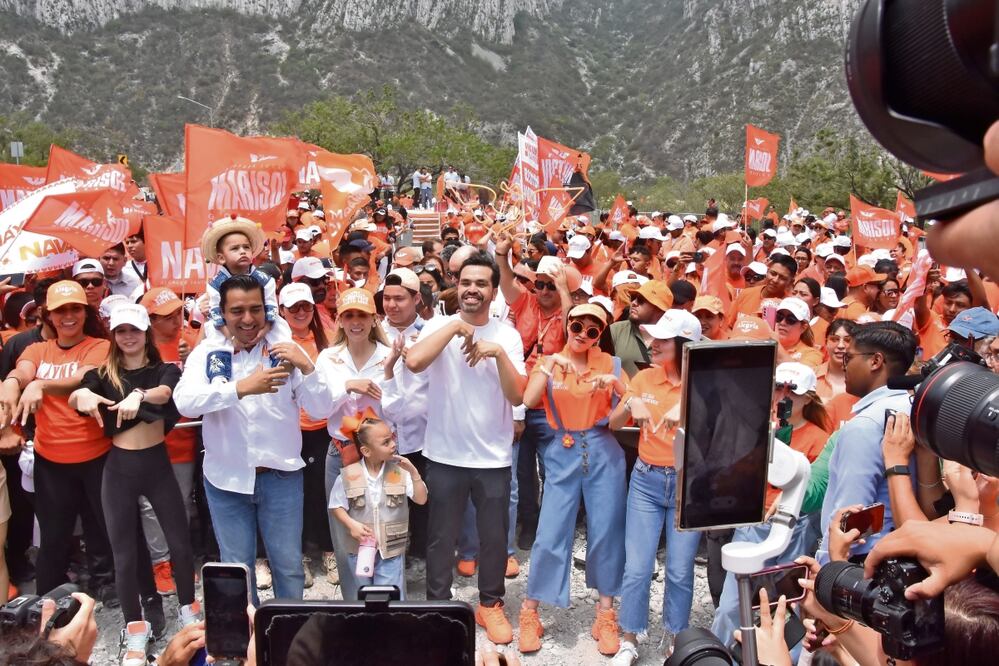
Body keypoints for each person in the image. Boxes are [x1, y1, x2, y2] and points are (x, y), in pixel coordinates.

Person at [173, 274, 334, 603]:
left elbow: (321, 408)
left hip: (281, 479)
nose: (247, 319)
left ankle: (289, 638)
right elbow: (184, 402)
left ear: (267, 310)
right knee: (237, 569)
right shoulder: (208, 352)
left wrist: (307, 365)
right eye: (237, 310)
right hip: (225, 482)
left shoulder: (285, 352)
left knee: (288, 565)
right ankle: (249, 643)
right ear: (223, 312)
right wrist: (240, 388)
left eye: (255, 309)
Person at [405, 251, 526, 644]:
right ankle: (438, 607)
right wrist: (455, 327)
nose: (472, 289)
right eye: (466, 282)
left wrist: (498, 354)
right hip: (443, 452)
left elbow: (517, 393)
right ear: (457, 286)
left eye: (481, 284)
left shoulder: (507, 334)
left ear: (493, 291)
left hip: (492, 455)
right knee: (441, 537)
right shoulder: (439, 326)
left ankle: (490, 604)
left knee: (494, 536)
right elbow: (414, 362)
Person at [68, 303, 198, 665]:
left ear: (146, 333)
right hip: (119, 468)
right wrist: (86, 395)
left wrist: (139, 395)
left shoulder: (164, 369)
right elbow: (78, 394)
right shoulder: (103, 373)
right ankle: (135, 628)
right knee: (123, 555)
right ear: (113, 335)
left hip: (157, 464)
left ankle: (189, 610)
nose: (128, 337)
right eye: (121, 331)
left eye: (135, 331)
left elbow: (164, 394)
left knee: (179, 543)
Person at [517, 304, 627, 656]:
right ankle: (530, 611)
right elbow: (529, 399)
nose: (583, 333)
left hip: (602, 447)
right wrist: (547, 365)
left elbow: (623, 415)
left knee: (606, 531)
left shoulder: (609, 363)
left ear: (600, 334)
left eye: (593, 330)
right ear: (567, 324)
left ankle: (606, 612)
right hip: (562, 446)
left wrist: (617, 384)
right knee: (550, 531)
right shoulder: (549, 360)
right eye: (577, 325)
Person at [0, 281, 115, 604]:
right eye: (60, 310)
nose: (68, 316)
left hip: (96, 455)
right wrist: (13, 381)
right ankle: (47, 599)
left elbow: (86, 377)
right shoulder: (36, 350)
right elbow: (22, 369)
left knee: (102, 527)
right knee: (53, 535)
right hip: (51, 460)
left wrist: (42, 385)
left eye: (75, 308)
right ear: (47, 315)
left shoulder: (99, 346)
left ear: (86, 312)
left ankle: (105, 585)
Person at [709, 362, 831, 646]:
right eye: (779, 387)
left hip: (795, 528)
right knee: (731, 603)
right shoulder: (757, 429)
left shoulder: (819, 438)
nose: (784, 395)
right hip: (754, 521)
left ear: (809, 396)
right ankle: (717, 655)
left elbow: (813, 490)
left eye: (793, 390)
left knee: (787, 605)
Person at [608, 309, 703, 663]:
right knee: (637, 566)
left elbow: (718, 435)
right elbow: (615, 424)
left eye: (663, 339)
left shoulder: (704, 383)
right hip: (646, 481)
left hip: (687, 485)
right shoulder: (645, 378)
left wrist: (690, 408)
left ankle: (676, 638)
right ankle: (629, 638)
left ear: (684, 346)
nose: (653, 343)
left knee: (680, 569)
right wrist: (629, 402)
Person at [817, 321, 917, 563]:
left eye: (849, 358)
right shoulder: (911, 408)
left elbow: (850, 522)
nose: (844, 365)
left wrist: (827, 570)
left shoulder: (865, 426)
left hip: (861, 562)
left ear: (875, 361)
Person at [316, 287, 392, 601]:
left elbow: (402, 407)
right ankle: (352, 602)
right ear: (339, 320)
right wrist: (347, 386)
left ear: (374, 319)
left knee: (385, 526)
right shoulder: (328, 358)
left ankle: (385, 598)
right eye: (348, 315)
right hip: (341, 451)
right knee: (345, 531)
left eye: (362, 315)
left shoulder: (388, 356)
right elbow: (318, 408)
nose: (355, 321)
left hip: (381, 456)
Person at [138, 287, 199, 596]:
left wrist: (192, 360)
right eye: (167, 317)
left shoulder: (192, 340)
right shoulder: (140, 348)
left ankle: (180, 558)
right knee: (150, 505)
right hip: (152, 439)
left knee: (183, 502)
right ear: (150, 320)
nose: (177, 321)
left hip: (186, 436)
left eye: (178, 313)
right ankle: (159, 563)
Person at [328, 413, 427, 596]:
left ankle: (390, 624)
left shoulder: (399, 473)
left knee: (388, 597)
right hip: (359, 549)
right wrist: (351, 525)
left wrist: (414, 472)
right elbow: (335, 505)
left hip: (390, 549)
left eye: (392, 439)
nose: (393, 445)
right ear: (366, 451)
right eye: (386, 442)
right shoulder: (349, 475)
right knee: (364, 594)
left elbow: (421, 499)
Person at [278, 282, 337, 587]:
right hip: (290, 431)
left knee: (323, 494)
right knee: (294, 497)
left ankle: (329, 551)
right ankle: (300, 555)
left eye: (305, 306)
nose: (300, 312)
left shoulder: (326, 339)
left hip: (321, 428)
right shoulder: (276, 341)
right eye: (294, 308)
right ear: (282, 311)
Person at [378, 269, 430, 561]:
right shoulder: (374, 330)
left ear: (416, 299)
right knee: (390, 498)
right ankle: (393, 553)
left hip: (422, 432)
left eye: (400, 298)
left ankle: (422, 550)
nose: (392, 305)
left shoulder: (430, 333)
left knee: (422, 494)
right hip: (384, 433)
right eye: (387, 298)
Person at [201, 215, 291, 356]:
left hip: (264, 325)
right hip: (225, 329)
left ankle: (282, 363)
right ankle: (219, 375)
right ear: (221, 257)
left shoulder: (266, 280)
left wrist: (264, 331)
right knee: (213, 338)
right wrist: (231, 338)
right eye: (235, 248)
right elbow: (216, 313)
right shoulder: (215, 285)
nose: (242, 251)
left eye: (246, 247)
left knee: (281, 333)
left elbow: (271, 307)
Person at [609, 280, 673, 377]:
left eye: (641, 300)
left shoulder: (674, 339)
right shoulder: (615, 330)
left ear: (659, 309)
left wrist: (667, 375)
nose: (634, 303)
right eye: (633, 298)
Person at [727, 254, 798, 326]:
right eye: (773, 273)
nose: (775, 280)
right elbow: (729, 326)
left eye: (782, 278)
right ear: (767, 272)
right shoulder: (745, 294)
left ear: (791, 282)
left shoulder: (790, 306)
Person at [774, 297, 823, 369]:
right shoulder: (763, 344)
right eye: (779, 317)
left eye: (791, 319)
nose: (782, 322)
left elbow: (799, 376)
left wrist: (776, 343)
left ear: (803, 327)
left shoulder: (812, 354)